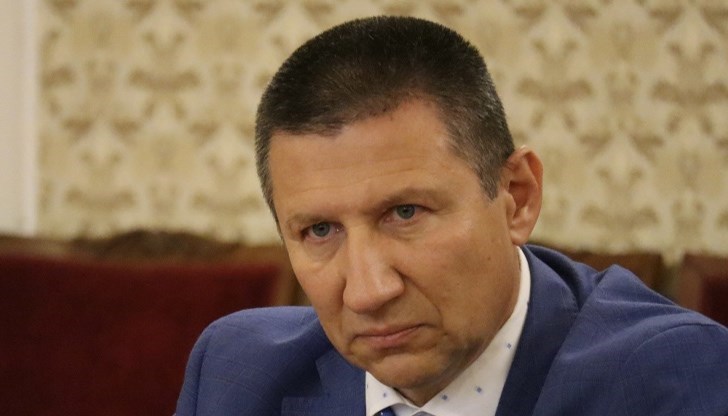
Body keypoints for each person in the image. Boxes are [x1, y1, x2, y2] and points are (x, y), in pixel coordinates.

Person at [175, 16, 728, 416]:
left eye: (405, 212)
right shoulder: (236, 373)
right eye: (320, 230)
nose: (368, 292)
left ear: (517, 197)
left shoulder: (675, 375)